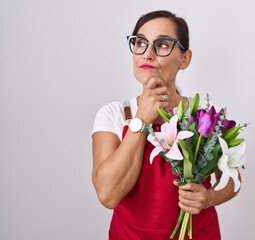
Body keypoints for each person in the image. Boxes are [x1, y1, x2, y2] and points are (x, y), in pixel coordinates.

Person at [92, 10, 241, 240]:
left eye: (162, 45)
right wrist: (141, 120)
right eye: (140, 43)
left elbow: (234, 177)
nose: (147, 54)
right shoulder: (113, 115)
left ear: (185, 58)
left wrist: (209, 198)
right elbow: (108, 195)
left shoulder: (203, 117)